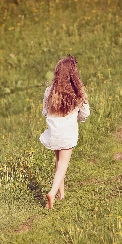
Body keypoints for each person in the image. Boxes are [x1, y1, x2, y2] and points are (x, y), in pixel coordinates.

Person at [40, 55, 90, 209]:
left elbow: (44, 112)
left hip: (54, 132)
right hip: (68, 134)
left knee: (58, 162)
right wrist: (78, 117)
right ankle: (52, 193)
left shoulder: (50, 91)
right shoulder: (77, 93)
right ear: (73, 74)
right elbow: (85, 113)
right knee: (63, 164)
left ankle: (62, 194)